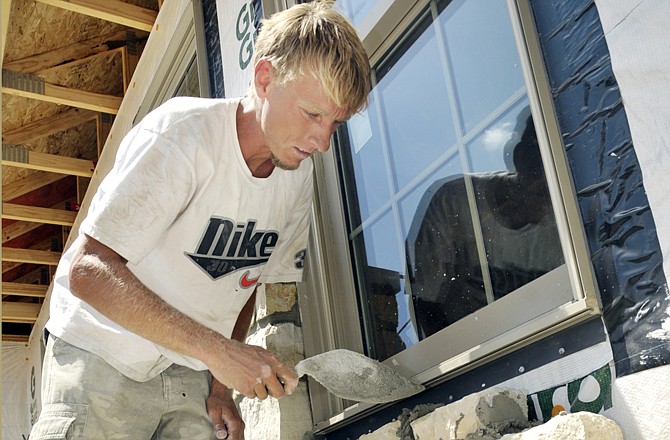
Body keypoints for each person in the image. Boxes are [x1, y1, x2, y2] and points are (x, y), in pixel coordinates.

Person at [29, 2, 370, 439]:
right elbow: (86, 269)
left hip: (192, 373)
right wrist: (219, 352)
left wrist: (221, 386)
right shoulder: (182, 136)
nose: (323, 141)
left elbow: (246, 282)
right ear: (264, 79)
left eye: (336, 124)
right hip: (102, 353)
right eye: (313, 114)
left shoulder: (296, 179)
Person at [406, 107, 564, 339]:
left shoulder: (559, 236)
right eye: (542, 192)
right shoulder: (454, 203)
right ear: (519, 160)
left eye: (554, 197)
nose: (547, 208)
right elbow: (426, 302)